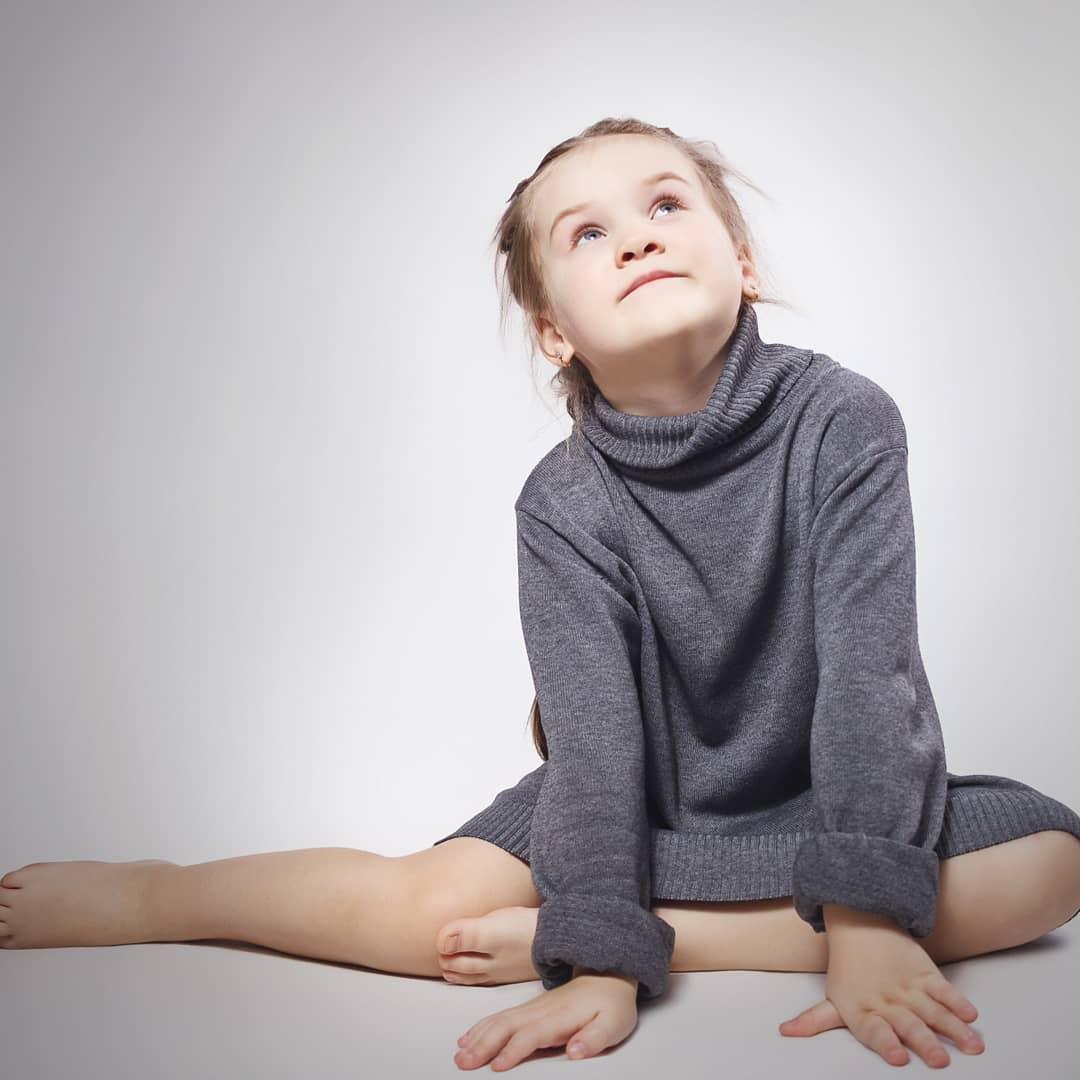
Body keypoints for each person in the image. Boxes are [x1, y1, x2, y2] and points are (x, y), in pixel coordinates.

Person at [3, 118, 1079, 1074]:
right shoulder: (563, 501)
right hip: (635, 808)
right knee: (423, 911)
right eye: (589, 233)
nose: (639, 238)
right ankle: (158, 894)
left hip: (833, 805)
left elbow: (870, 680)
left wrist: (871, 921)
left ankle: (671, 935)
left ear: (743, 261)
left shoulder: (844, 420)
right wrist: (600, 959)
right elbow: (598, 745)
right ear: (555, 330)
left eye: (667, 206)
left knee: (1052, 867)